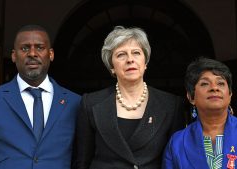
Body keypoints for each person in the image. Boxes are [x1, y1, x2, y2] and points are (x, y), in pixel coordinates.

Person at [75, 26, 185, 169]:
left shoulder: (171, 104)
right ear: (111, 66)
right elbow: (82, 160)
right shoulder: (90, 103)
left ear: (145, 63)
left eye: (136, 53)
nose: (130, 60)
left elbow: (175, 160)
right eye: (121, 55)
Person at [0, 24, 81, 169]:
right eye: (25, 48)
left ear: (51, 54)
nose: (32, 53)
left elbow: (81, 159)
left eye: (39, 47)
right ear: (13, 55)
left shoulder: (75, 103)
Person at [162, 57, 237, 169]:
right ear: (191, 97)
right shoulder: (177, 143)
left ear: (230, 95)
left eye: (221, 83)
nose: (214, 88)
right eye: (205, 84)